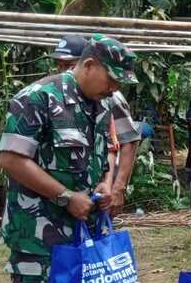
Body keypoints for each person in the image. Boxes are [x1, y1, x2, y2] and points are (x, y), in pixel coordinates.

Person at [0, 35, 138, 283]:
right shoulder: (37, 98)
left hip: (86, 226)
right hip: (37, 231)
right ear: (88, 65)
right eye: (111, 78)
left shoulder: (104, 102)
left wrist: (109, 184)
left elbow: (113, 148)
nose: (114, 87)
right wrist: (64, 196)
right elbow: (12, 159)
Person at [51, 35, 141, 216]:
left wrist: (116, 187)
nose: (63, 70)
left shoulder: (109, 96)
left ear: (86, 64)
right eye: (59, 64)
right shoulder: (49, 96)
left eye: (68, 65)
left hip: (97, 196)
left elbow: (127, 141)